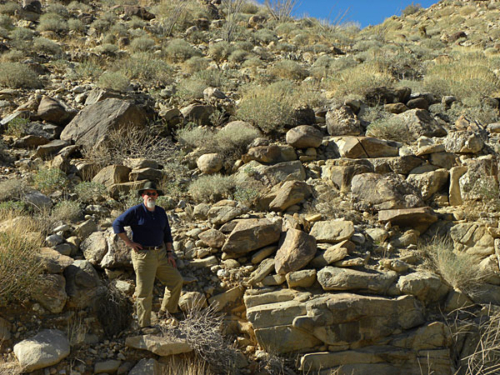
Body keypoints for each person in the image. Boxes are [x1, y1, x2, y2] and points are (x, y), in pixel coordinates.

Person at [112, 181, 183, 328]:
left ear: (157, 196)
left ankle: (167, 311)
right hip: (144, 255)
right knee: (144, 292)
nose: (151, 196)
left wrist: (169, 253)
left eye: (153, 193)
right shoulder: (136, 211)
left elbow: (167, 233)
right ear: (143, 195)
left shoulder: (161, 212)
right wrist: (129, 243)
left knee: (176, 280)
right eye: (148, 193)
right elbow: (116, 224)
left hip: (161, 254)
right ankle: (144, 325)